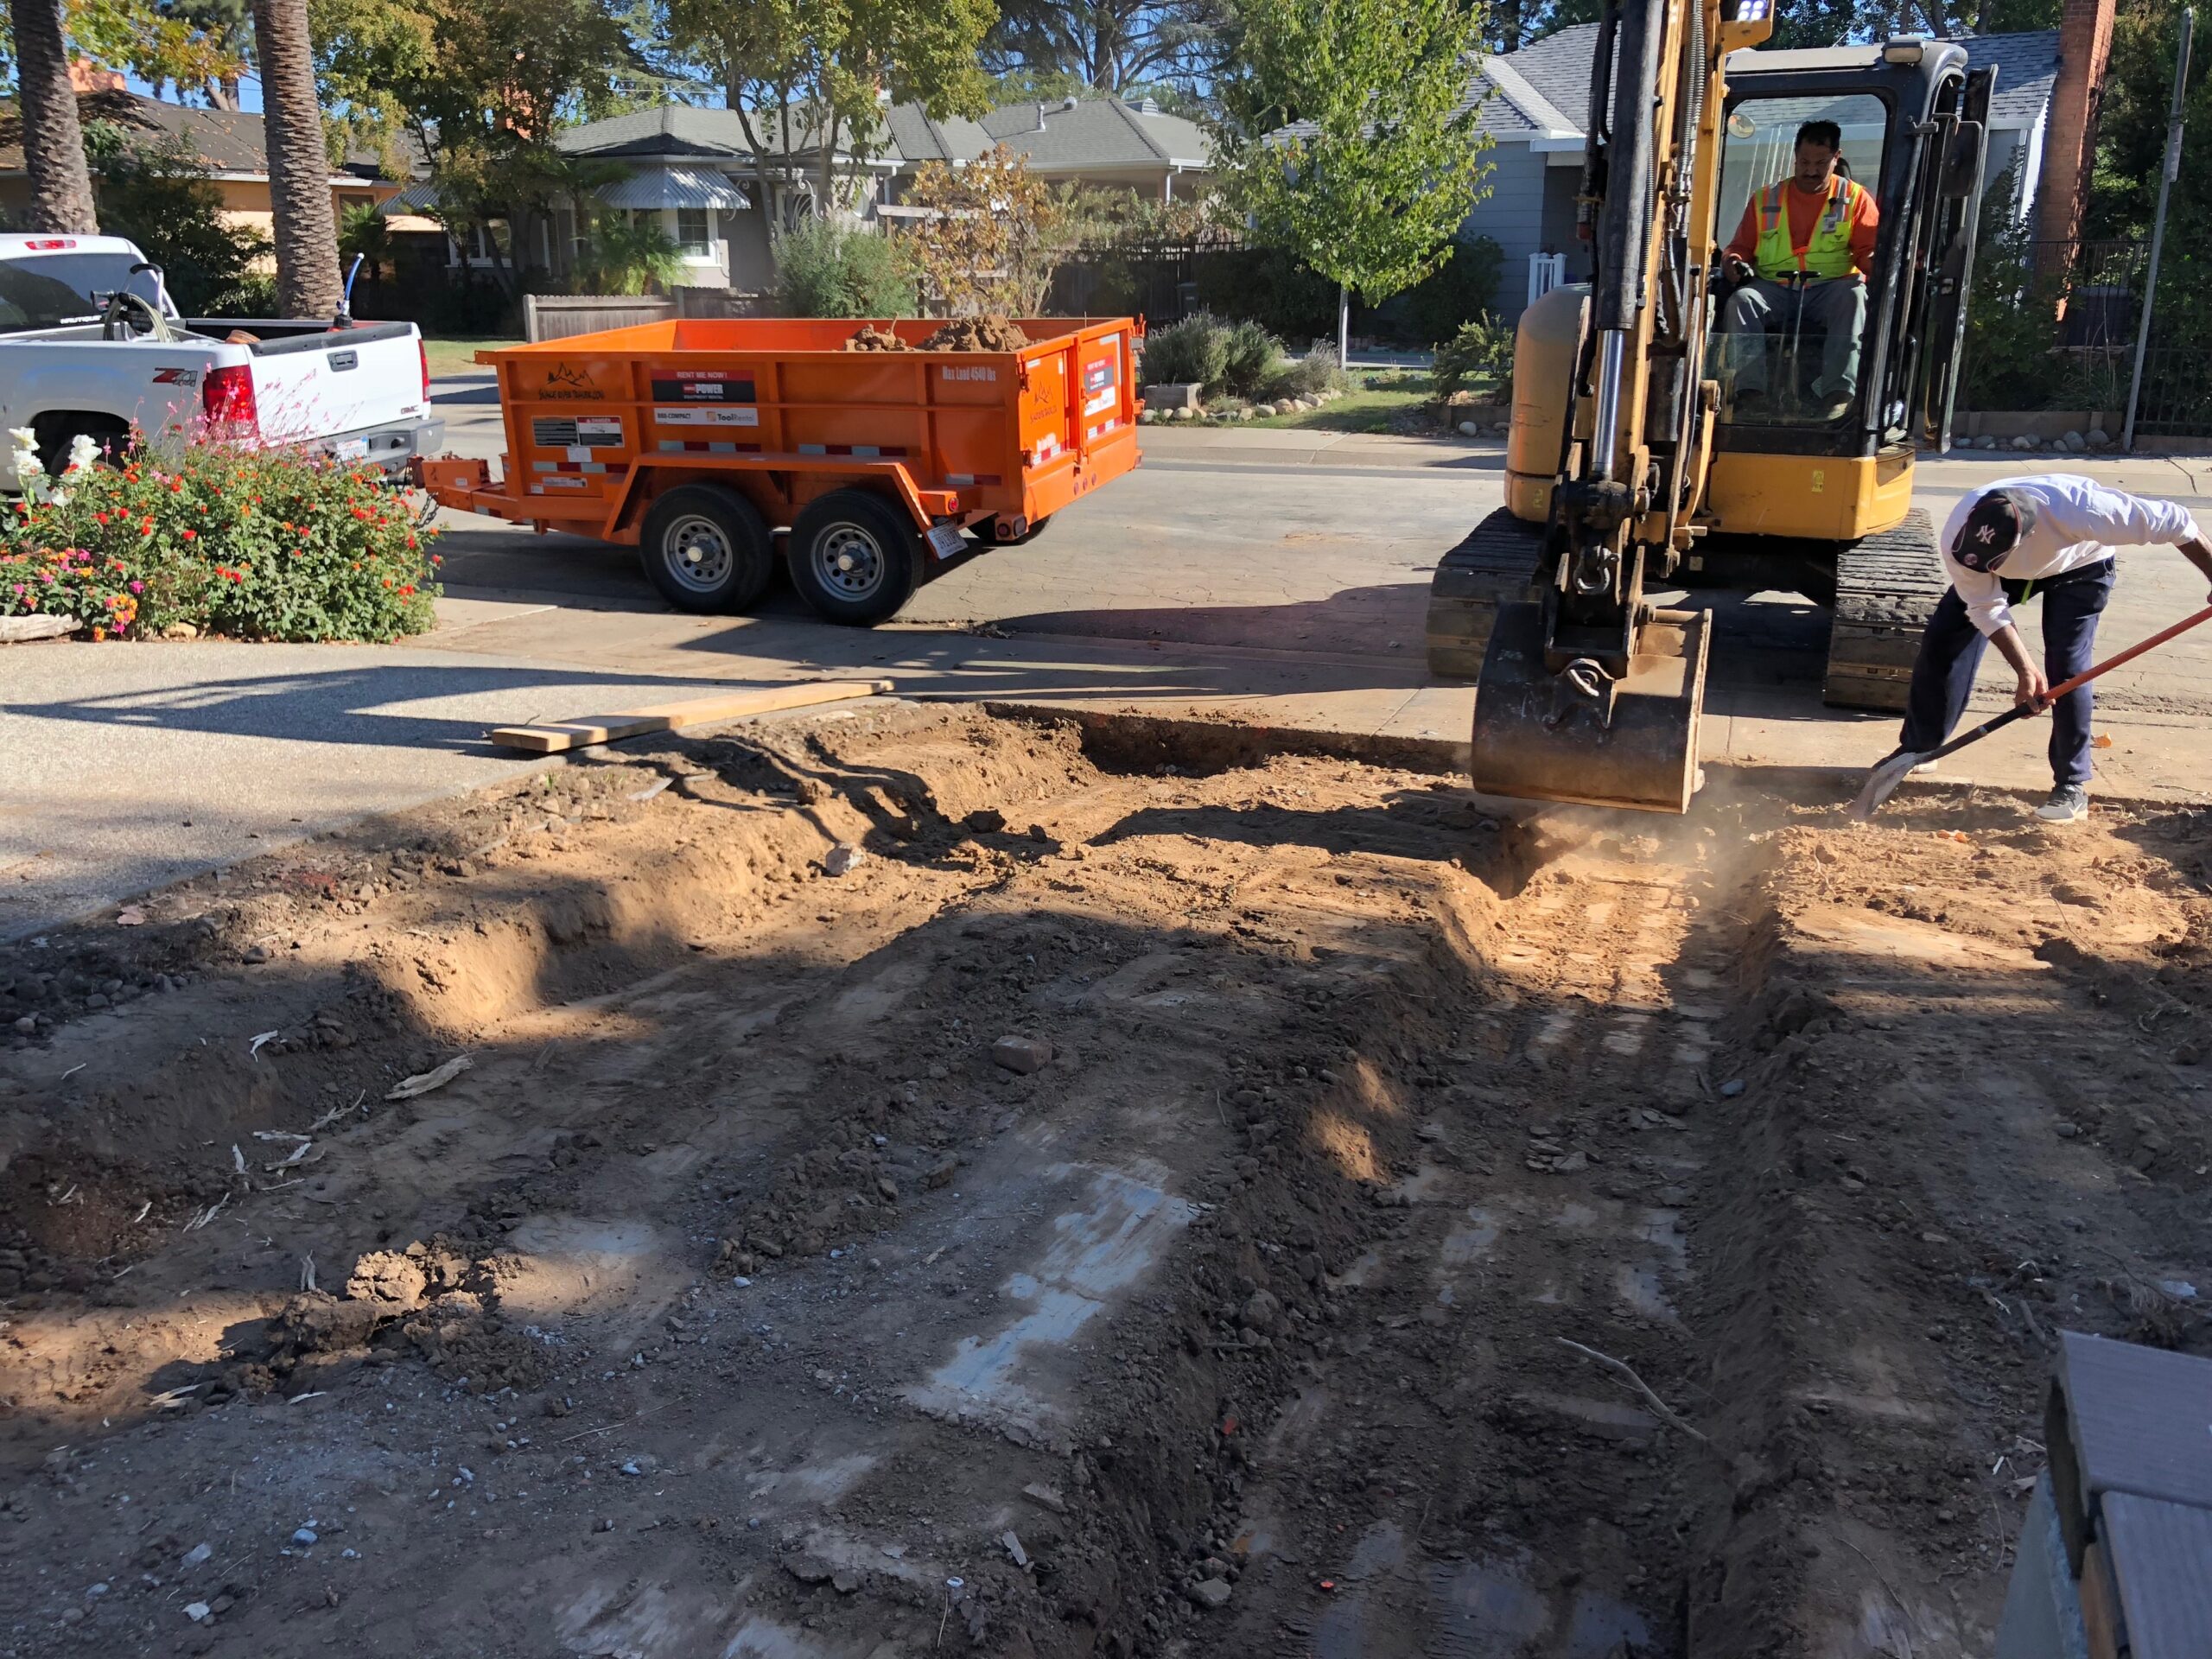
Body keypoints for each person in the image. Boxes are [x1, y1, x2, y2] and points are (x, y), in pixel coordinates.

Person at [1888, 475, 2212, 823]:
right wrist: (2025, 670)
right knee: (1943, 639)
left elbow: (2178, 523)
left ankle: (2071, 785)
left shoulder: (2084, 510)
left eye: (1993, 561)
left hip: (2080, 565)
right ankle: (1919, 749)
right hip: (2007, 569)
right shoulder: (1961, 534)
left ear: (2028, 538)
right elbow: (1984, 606)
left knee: (2068, 666)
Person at [1719, 119, 1879, 422]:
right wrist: (1734, 263)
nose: (1810, 170)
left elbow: (1866, 252)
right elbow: (1739, 247)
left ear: (1837, 157)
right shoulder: (1765, 199)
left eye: (1820, 163)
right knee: (1743, 301)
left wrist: (1880, 260)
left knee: (1854, 296)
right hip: (1774, 288)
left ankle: (1838, 395)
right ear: (1795, 156)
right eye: (1804, 162)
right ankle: (1750, 395)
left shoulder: (1856, 199)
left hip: (1831, 288)